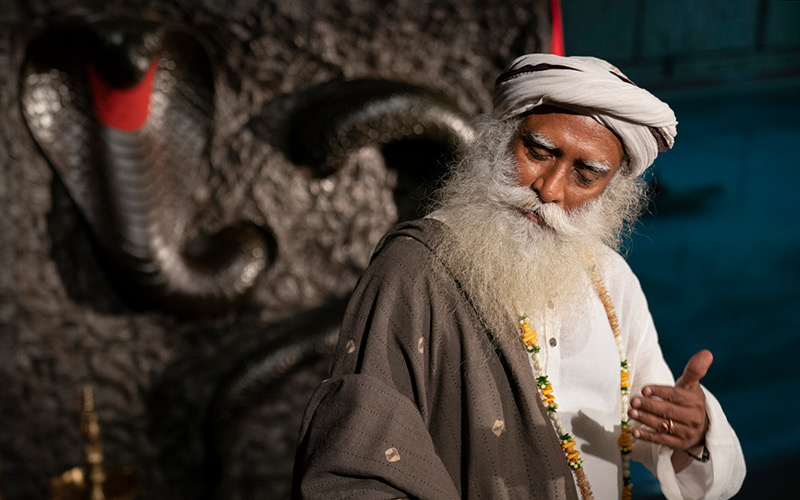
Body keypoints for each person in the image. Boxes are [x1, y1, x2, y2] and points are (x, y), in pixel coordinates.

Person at [292, 54, 746, 499]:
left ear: (611, 193)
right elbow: (359, 461)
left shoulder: (611, 280)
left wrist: (692, 432)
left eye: (585, 175)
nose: (549, 189)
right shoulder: (414, 269)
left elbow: (657, 433)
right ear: (499, 141)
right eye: (538, 152)